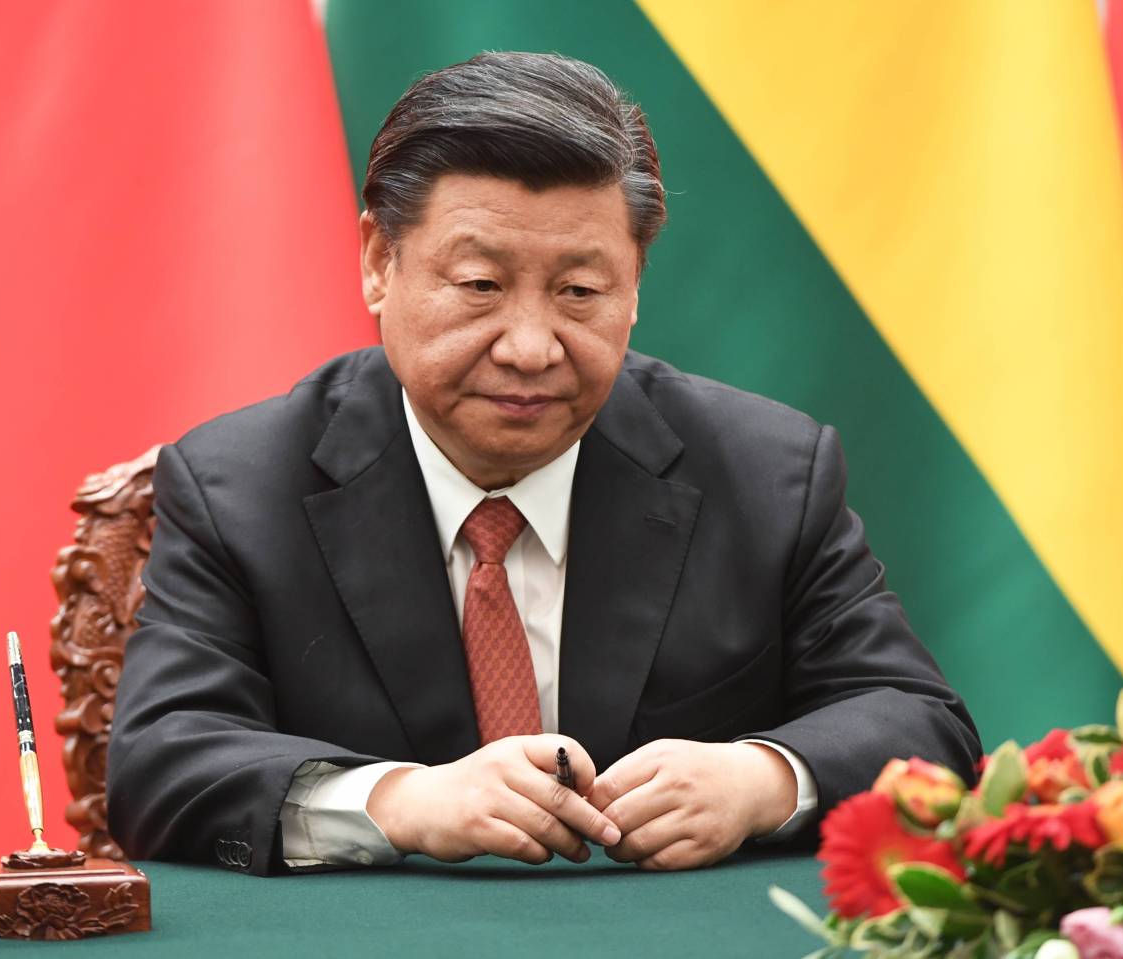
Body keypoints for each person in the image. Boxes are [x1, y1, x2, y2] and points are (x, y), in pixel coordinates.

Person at [107, 51, 981, 877]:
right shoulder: (241, 484)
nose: (530, 348)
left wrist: (759, 779)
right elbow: (160, 762)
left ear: (635, 284)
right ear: (380, 262)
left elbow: (922, 723)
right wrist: (400, 799)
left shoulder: (768, 472)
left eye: (580, 293)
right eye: (481, 285)